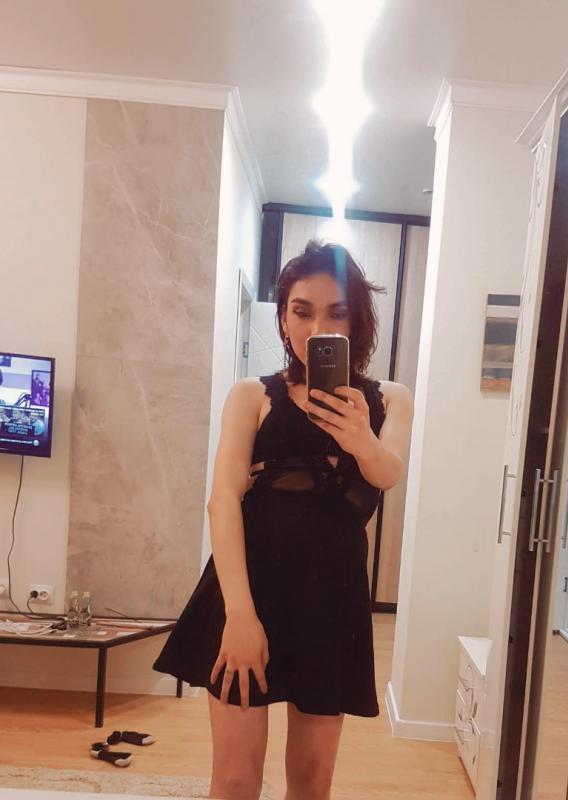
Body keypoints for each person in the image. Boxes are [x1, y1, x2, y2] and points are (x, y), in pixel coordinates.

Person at [153, 239, 414, 800]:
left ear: (358, 319)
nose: (317, 326)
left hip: (332, 602)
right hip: (248, 594)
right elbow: (223, 501)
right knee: (236, 781)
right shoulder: (253, 395)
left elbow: (388, 473)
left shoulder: (389, 400)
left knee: (313, 785)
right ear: (283, 318)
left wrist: (359, 436)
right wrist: (240, 617)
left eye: (336, 312)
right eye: (302, 311)